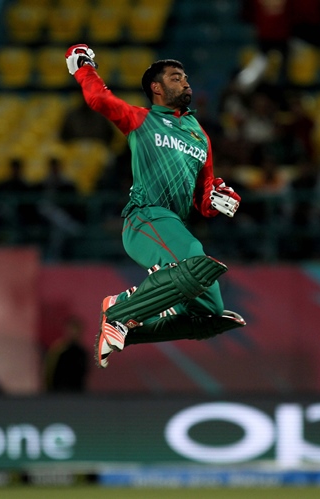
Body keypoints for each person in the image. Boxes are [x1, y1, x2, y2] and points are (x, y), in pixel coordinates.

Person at [65, 44, 246, 369]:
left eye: (186, 77)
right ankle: (119, 309)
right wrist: (83, 68)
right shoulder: (142, 120)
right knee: (193, 257)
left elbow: (204, 198)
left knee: (209, 311)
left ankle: (125, 333)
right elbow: (98, 100)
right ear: (156, 88)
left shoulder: (198, 135)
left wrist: (220, 197)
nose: (186, 83)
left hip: (172, 225)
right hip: (144, 218)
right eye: (176, 78)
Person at [44, 316, 89, 392]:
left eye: (76, 330)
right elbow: (49, 372)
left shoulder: (82, 353)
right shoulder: (57, 350)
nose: (74, 333)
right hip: (58, 393)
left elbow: (83, 374)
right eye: (71, 329)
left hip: (77, 393)